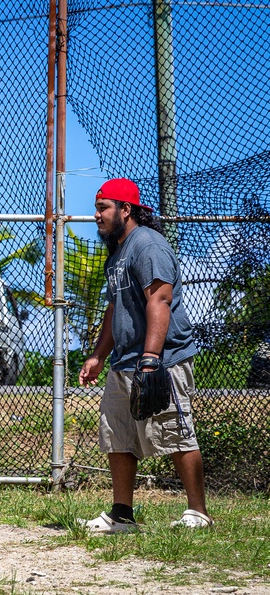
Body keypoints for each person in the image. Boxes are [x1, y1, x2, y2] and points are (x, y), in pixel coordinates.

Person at [78, 178, 211, 533]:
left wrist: (151, 357)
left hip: (160, 360)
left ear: (126, 209)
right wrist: (98, 356)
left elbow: (160, 299)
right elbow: (114, 308)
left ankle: (198, 512)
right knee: (118, 435)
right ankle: (122, 515)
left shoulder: (147, 245)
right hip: (124, 361)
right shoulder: (117, 252)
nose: (97, 215)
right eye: (97, 207)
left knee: (175, 433)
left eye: (104, 208)